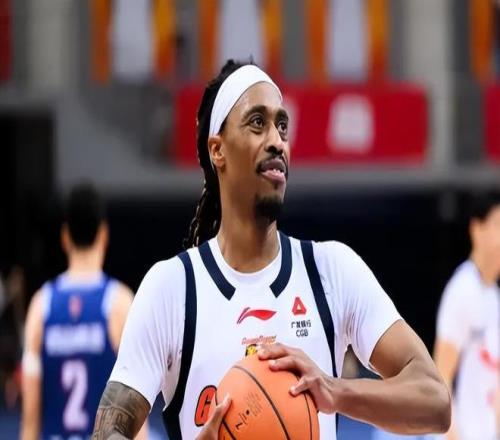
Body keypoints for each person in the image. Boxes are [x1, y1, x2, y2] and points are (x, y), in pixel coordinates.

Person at [92, 60, 450, 440]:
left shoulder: (331, 271)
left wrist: (334, 391)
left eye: (282, 126)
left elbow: (435, 402)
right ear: (217, 150)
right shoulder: (173, 288)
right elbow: (105, 434)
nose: (277, 140)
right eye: (257, 122)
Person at [21, 184, 147, 440]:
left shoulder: (41, 306)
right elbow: (135, 420)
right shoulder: (119, 303)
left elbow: (30, 421)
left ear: (65, 237)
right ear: (103, 234)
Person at [434, 194, 500, 440]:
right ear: (477, 229)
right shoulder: (463, 290)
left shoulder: (492, 296)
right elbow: (442, 375)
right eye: (498, 225)